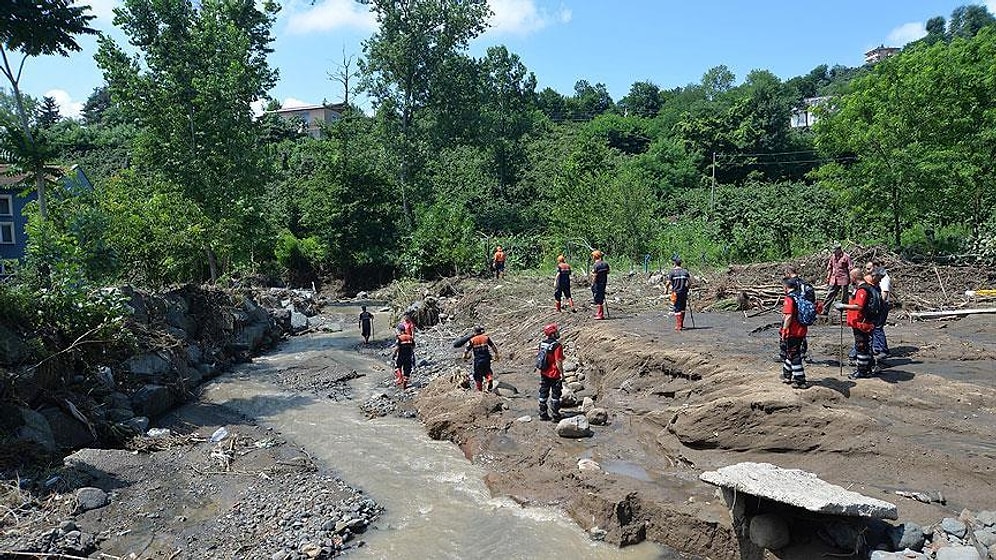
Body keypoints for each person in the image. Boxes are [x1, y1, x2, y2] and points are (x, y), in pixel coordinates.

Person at [835, 267, 878, 380]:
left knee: (861, 346)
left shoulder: (862, 290)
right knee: (864, 345)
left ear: (854, 277)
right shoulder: (861, 288)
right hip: (861, 322)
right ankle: (868, 367)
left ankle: (862, 371)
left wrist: (843, 306)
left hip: (862, 323)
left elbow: (859, 306)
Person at [779, 277, 809, 389]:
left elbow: (788, 316)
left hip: (793, 331)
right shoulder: (800, 296)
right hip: (801, 330)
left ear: (786, 287)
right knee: (791, 352)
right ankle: (787, 374)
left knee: (794, 354)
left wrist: (784, 331)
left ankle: (800, 381)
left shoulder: (789, 299)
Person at [785, 265, 817, 361]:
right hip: (804, 314)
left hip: (794, 313)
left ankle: (787, 355)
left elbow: (790, 302)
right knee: (801, 335)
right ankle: (802, 352)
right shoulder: (804, 283)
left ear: (788, 273)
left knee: (791, 335)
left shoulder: (791, 283)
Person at [536, 323, 565, 421]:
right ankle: (555, 415)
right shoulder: (557, 346)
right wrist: (562, 374)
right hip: (554, 374)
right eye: (556, 331)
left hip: (544, 372)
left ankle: (543, 413)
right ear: (553, 333)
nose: (558, 332)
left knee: (543, 392)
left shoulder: (542, 343)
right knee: (556, 394)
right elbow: (558, 361)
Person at [463, 325, 500, 392]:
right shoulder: (486, 338)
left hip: (478, 360)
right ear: (480, 331)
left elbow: (466, 351)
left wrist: (465, 357)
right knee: (487, 371)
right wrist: (496, 354)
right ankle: (489, 379)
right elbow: (493, 346)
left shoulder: (472, 340)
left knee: (478, 376)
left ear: (474, 332)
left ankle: (480, 390)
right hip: (486, 358)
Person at [868, 261, 891, 358]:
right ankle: (877, 348)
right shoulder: (876, 277)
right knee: (875, 327)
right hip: (879, 305)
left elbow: (884, 295)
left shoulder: (884, 279)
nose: (868, 271)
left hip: (882, 305)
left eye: (869, 269)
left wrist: (876, 304)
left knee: (878, 327)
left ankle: (883, 350)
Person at [822, 244, 853, 314]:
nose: (834, 252)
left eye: (835, 250)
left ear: (839, 250)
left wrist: (851, 278)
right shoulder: (833, 257)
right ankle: (825, 309)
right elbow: (829, 267)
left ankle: (844, 310)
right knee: (830, 294)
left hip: (843, 278)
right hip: (834, 278)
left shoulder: (846, 257)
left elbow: (850, 268)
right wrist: (828, 277)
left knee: (844, 295)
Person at [665, 256, 692, 331]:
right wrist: (687, 288)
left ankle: (679, 326)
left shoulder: (672, 272)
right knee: (682, 308)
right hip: (684, 292)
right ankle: (681, 324)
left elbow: (668, 283)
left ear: (674, 263)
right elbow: (690, 282)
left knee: (677, 308)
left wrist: (666, 290)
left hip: (675, 292)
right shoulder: (685, 272)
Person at [590, 250, 609, 320]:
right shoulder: (605, 264)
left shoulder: (595, 265)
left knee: (598, 298)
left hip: (597, 283)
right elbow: (608, 272)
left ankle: (600, 315)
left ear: (595, 256)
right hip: (603, 282)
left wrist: (592, 283)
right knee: (600, 296)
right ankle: (599, 313)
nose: (592, 257)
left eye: (593, 256)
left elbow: (595, 275)